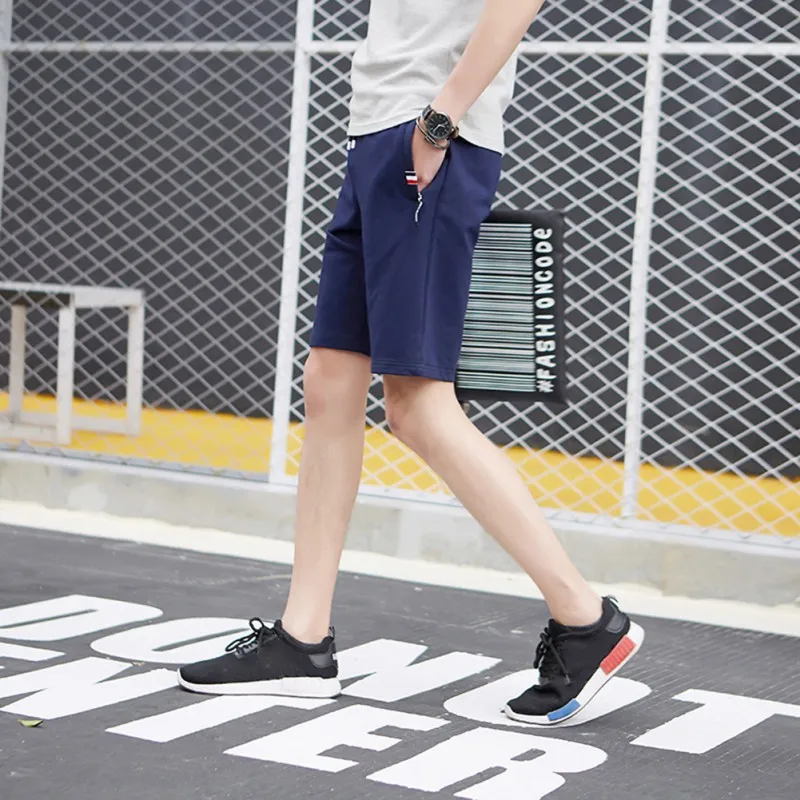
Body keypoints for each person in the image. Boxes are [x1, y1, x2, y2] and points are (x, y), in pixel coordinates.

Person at [178, 0, 644, 725]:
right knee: (331, 382)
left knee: (418, 403)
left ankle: (586, 620)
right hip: (379, 131)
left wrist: (440, 119)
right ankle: (302, 641)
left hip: (428, 136)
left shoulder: (435, 126)